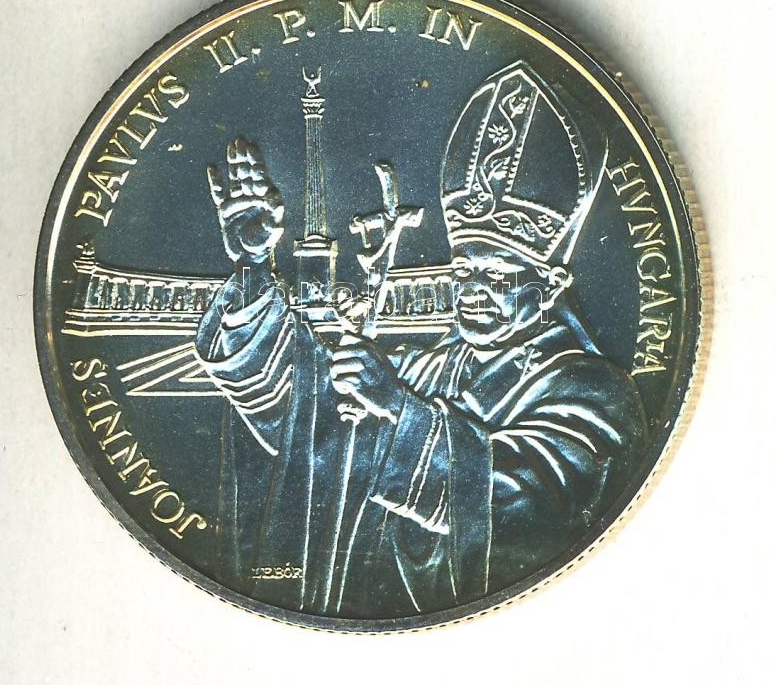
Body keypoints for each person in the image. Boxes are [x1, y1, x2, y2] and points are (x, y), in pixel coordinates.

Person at [195, 62, 648, 618]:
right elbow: (306, 421)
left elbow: (518, 506)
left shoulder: (595, 394)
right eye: (464, 271)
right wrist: (252, 265)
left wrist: (397, 407)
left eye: (498, 276)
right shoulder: (426, 370)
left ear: (550, 287)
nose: (473, 291)